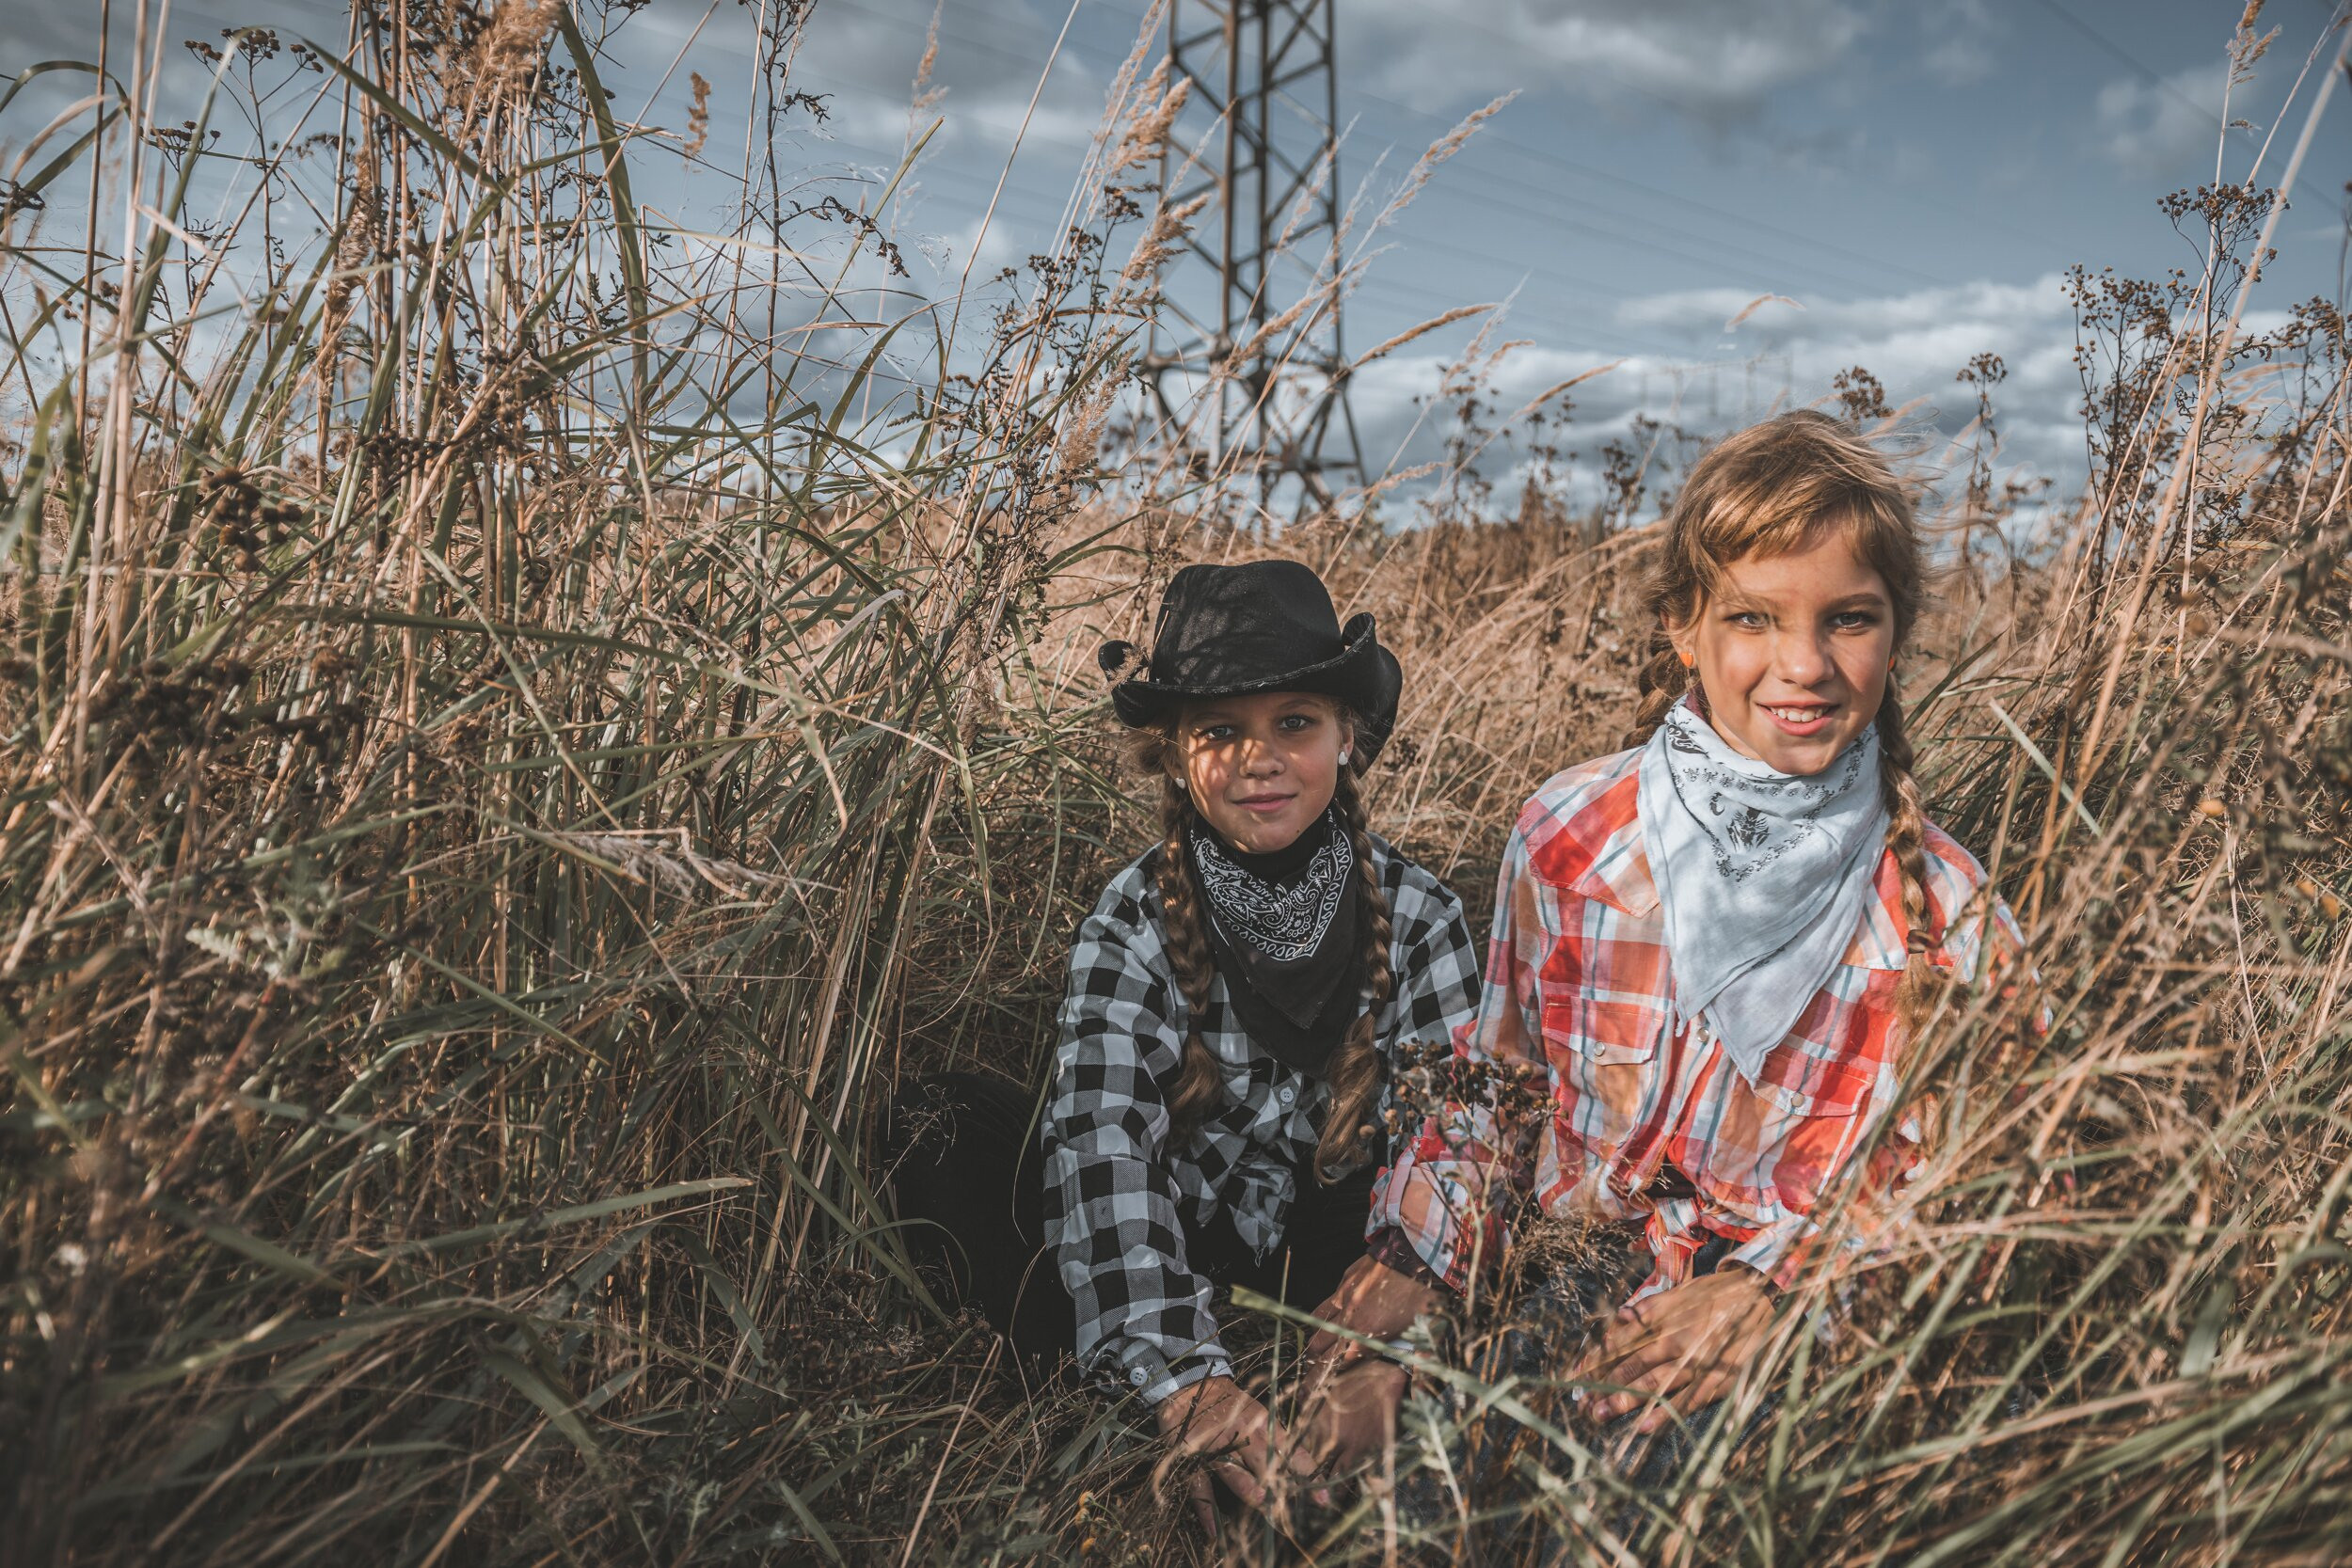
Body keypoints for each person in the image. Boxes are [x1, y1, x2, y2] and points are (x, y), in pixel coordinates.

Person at [1298, 410, 2031, 1526]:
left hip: (1802, 1328)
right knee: (1392, 1508)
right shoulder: (1573, 833)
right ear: (1684, 628)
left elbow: (1990, 1184)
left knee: (1640, 1517)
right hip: (1571, 1272)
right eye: (1752, 617)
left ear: (1897, 634)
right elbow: (1501, 1084)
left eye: (1849, 620)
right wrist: (1412, 1267)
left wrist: (1779, 1293)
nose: (1803, 664)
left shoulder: (1942, 908)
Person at [879, 559, 1482, 1528]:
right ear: (1172, 753)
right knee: (939, 1123)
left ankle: (1314, 1387)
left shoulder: (1420, 914)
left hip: (1331, 1247)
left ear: (1347, 738)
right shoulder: (1130, 920)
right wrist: (1188, 1380)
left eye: (1295, 721)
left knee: (1428, 1222)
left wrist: (1389, 1327)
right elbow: (1103, 1142)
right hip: (1184, 1221)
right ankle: (1137, 1374)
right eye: (1220, 731)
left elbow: (1455, 1131)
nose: (1260, 757)